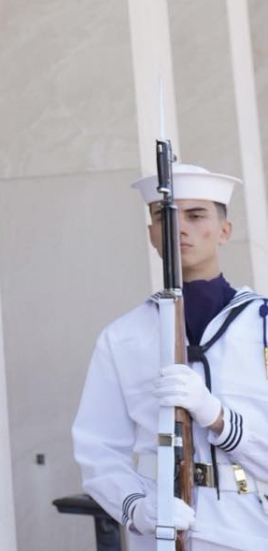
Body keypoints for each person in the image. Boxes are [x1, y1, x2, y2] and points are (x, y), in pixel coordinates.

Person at [72, 163, 268, 549]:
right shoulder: (123, 337)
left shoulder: (261, 325)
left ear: (225, 230)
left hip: (251, 529)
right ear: (151, 234)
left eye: (196, 216)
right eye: (165, 217)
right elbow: (99, 451)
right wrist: (138, 508)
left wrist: (218, 417)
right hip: (162, 535)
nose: (180, 228)